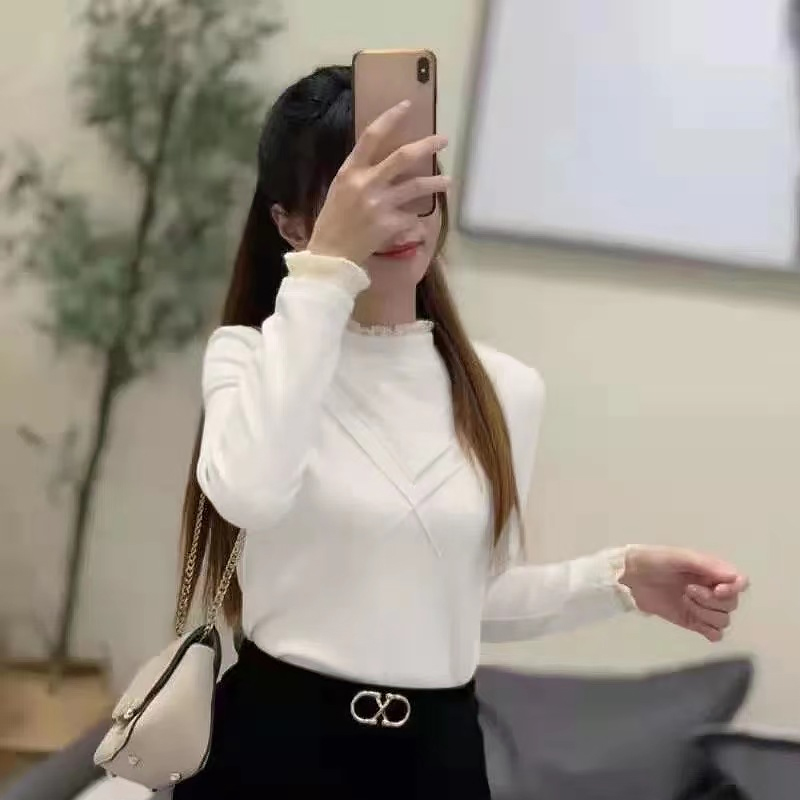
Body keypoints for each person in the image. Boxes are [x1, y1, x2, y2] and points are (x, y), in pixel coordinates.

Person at [172, 65, 748, 800]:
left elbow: (472, 596)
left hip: (436, 758)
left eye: (413, 185)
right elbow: (250, 494)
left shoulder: (504, 389)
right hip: (274, 746)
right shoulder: (250, 359)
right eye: (362, 195)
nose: (399, 218)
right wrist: (324, 274)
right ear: (290, 223)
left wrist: (619, 580)